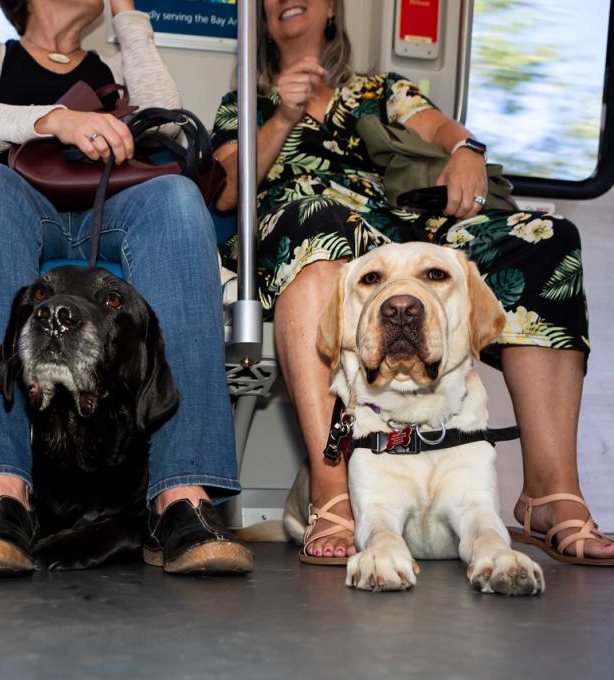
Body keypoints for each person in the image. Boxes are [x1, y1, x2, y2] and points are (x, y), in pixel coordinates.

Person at [211, 0, 611, 565]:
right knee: (318, 219)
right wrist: (281, 117)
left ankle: (548, 493)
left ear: (331, 10)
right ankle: (335, 496)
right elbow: (228, 192)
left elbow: (446, 132)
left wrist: (466, 150)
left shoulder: (380, 90)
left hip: (398, 231)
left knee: (548, 239)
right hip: (299, 226)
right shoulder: (245, 106)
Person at [0, 0, 253, 576]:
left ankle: (180, 499)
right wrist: (55, 120)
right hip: (24, 207)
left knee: (179, 198)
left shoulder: (112, 62)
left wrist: (128, 17)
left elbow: (171, 125)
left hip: (117, 208)